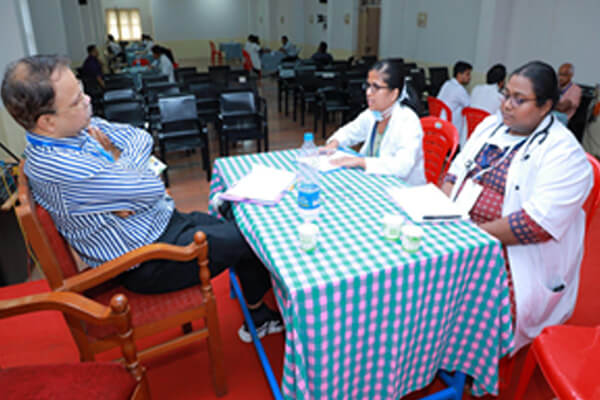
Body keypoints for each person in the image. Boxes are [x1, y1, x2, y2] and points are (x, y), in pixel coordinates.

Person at [0, 54, 283, 343]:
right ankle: (258, 318)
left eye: (82, 90)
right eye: (76, 101)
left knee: (243, 223)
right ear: (47, 121)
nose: (87, 100)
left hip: (157, 224)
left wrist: (117, 165)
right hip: (146, 260)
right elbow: (151, 188)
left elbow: (139, 137)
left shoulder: (72, 129)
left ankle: (255, 298)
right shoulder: (59, 166)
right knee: (252, 240)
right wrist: (124, 169)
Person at [441, 60, 593, 352]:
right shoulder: (490, 126)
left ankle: (463, 357)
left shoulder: (564, 153)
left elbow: (534, 225)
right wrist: (441, 215)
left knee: (464, 305)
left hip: (512, 257)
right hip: (462, 238)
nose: (507, 105)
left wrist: (470, 237)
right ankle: (430, 350)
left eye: (519, 100)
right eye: (506, 95)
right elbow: (454, 174)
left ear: (545, 106)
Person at [322, 59, 426, 183]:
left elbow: (402, 166)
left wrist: (361, 162)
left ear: (393, 94)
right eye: (368, 86)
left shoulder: (408, 121)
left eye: (376, 87)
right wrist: (334, 143)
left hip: (402, 188)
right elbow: (350, 131)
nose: (368, 92)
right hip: (374, 181)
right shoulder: (373, 113)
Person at [437, 61, 472, 145]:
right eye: (467, 74)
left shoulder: (447, 83)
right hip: (450, 124)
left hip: (440, 121)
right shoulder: (459, 89)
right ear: (459, 75)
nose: (469, 77)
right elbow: (470, 105)